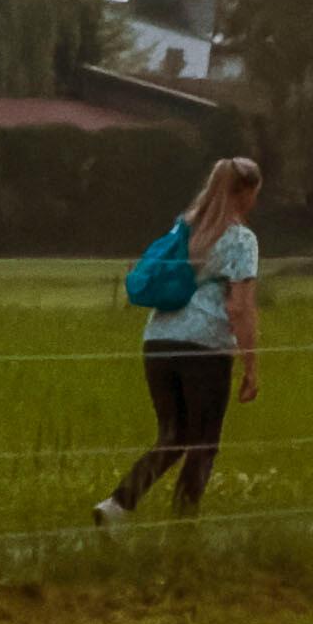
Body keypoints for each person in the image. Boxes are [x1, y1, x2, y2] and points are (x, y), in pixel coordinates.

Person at [100, 153, 266, 518]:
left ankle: (117, 505)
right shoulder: (241, 240)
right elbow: (239, 307)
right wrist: (250, 365)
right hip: (205, 346)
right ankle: (183, 521)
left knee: (173, 436)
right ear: (247, 193)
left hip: (159, 341)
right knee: (204, 442)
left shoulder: (184, 227)